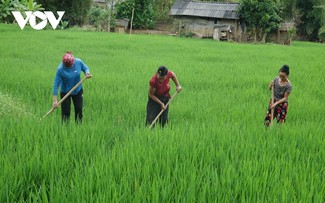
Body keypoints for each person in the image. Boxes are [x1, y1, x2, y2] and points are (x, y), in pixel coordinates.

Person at [52, 52, 92, 123]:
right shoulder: (60, 69)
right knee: (65, 112)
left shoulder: (78, 62)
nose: (69, 67)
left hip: (78, 91)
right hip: (65, 92)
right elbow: (56, 84)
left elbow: (85, 67)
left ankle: (79, 128)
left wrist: (87, 72)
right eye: (67, 66)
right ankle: (65, 129)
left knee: (79, 109)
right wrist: (54, 100)